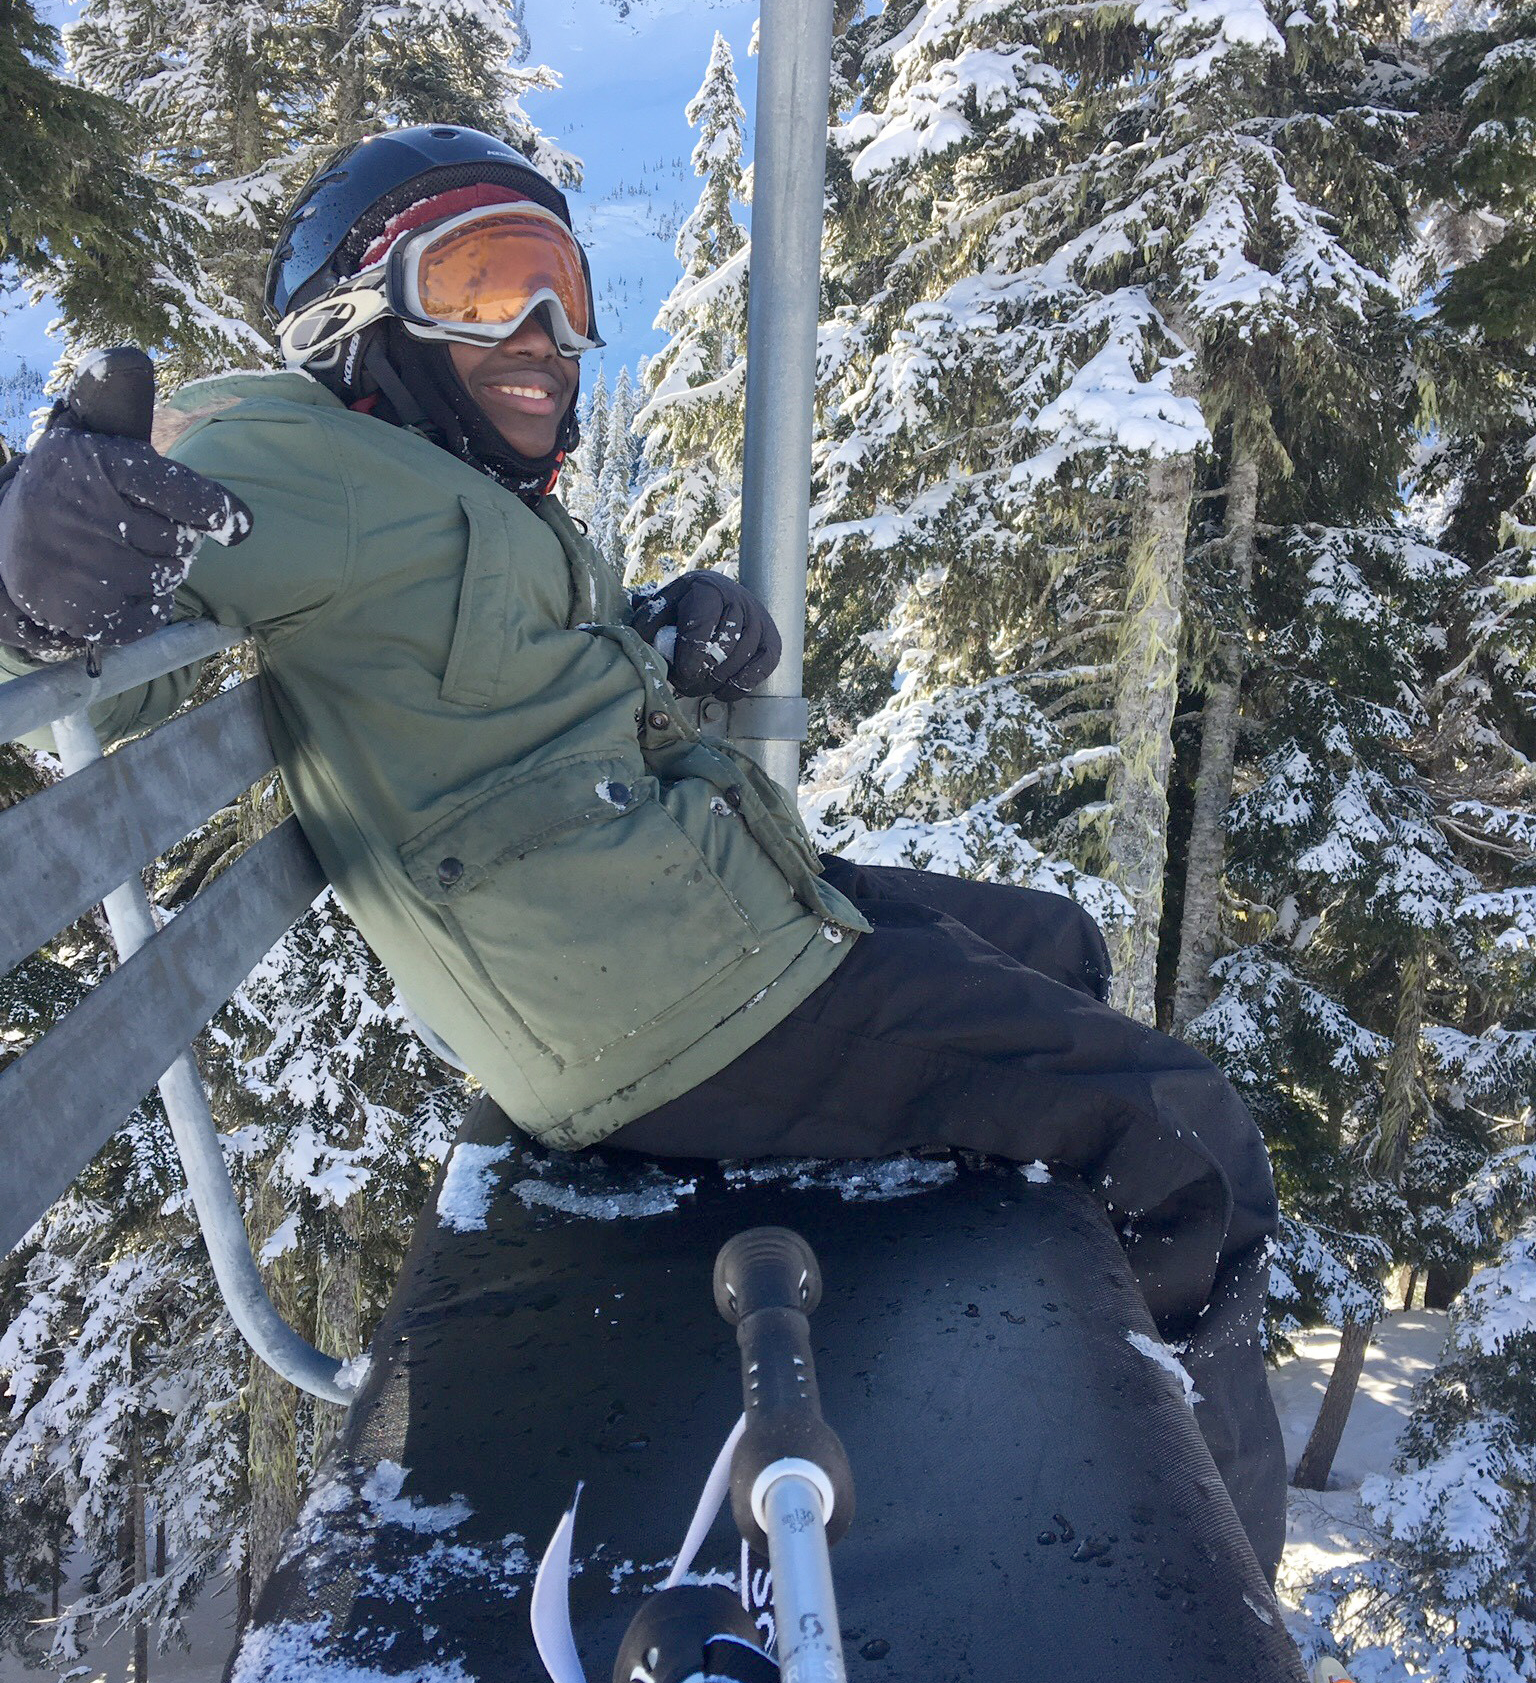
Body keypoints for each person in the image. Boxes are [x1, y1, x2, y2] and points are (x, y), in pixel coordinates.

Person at [0, 125, 1286, 1575]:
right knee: (1188, 1145)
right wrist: (36, 569)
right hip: (673, 1012)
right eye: (488, 287)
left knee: (1059, 943)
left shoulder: (440, 481)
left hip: (705, 936)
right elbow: (125, 602)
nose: (549, 336)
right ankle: (1219, 1616)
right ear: (357, 319)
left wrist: (668, 641)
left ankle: (1063, 1397)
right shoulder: (286, 458)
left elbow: (508, 684)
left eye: (561, 287)